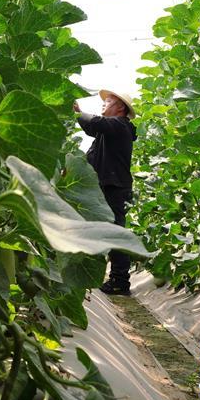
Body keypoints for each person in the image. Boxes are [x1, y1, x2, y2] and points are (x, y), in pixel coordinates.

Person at [73, 90, 137, 296]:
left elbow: (96, 123)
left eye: (108, 101)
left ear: (120, 108)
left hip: (114, 187)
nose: (103, 104)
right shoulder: (109, 131)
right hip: (110, 185)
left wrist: (76, 112)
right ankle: (116, 278)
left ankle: (120, 281)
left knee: (116, 232)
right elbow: (93, 129)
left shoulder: (121, 125)